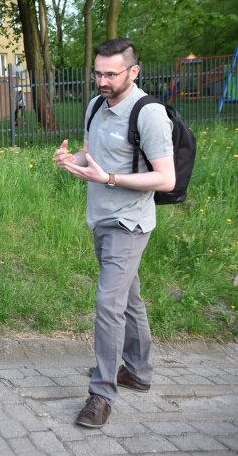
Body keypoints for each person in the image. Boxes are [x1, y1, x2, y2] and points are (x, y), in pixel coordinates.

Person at [54, 38, 175, 429]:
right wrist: (71, 161)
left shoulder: (149, 113)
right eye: (97, 72)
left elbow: (166, 179)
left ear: (133, 71)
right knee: (129, 298)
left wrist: (108, 178)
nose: (102, 80)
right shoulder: (95, 106)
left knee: (109, 304)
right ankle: (139, 370)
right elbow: (92, 155)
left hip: (131, 222)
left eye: (111, 73)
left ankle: (101, 394)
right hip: (101, 219)